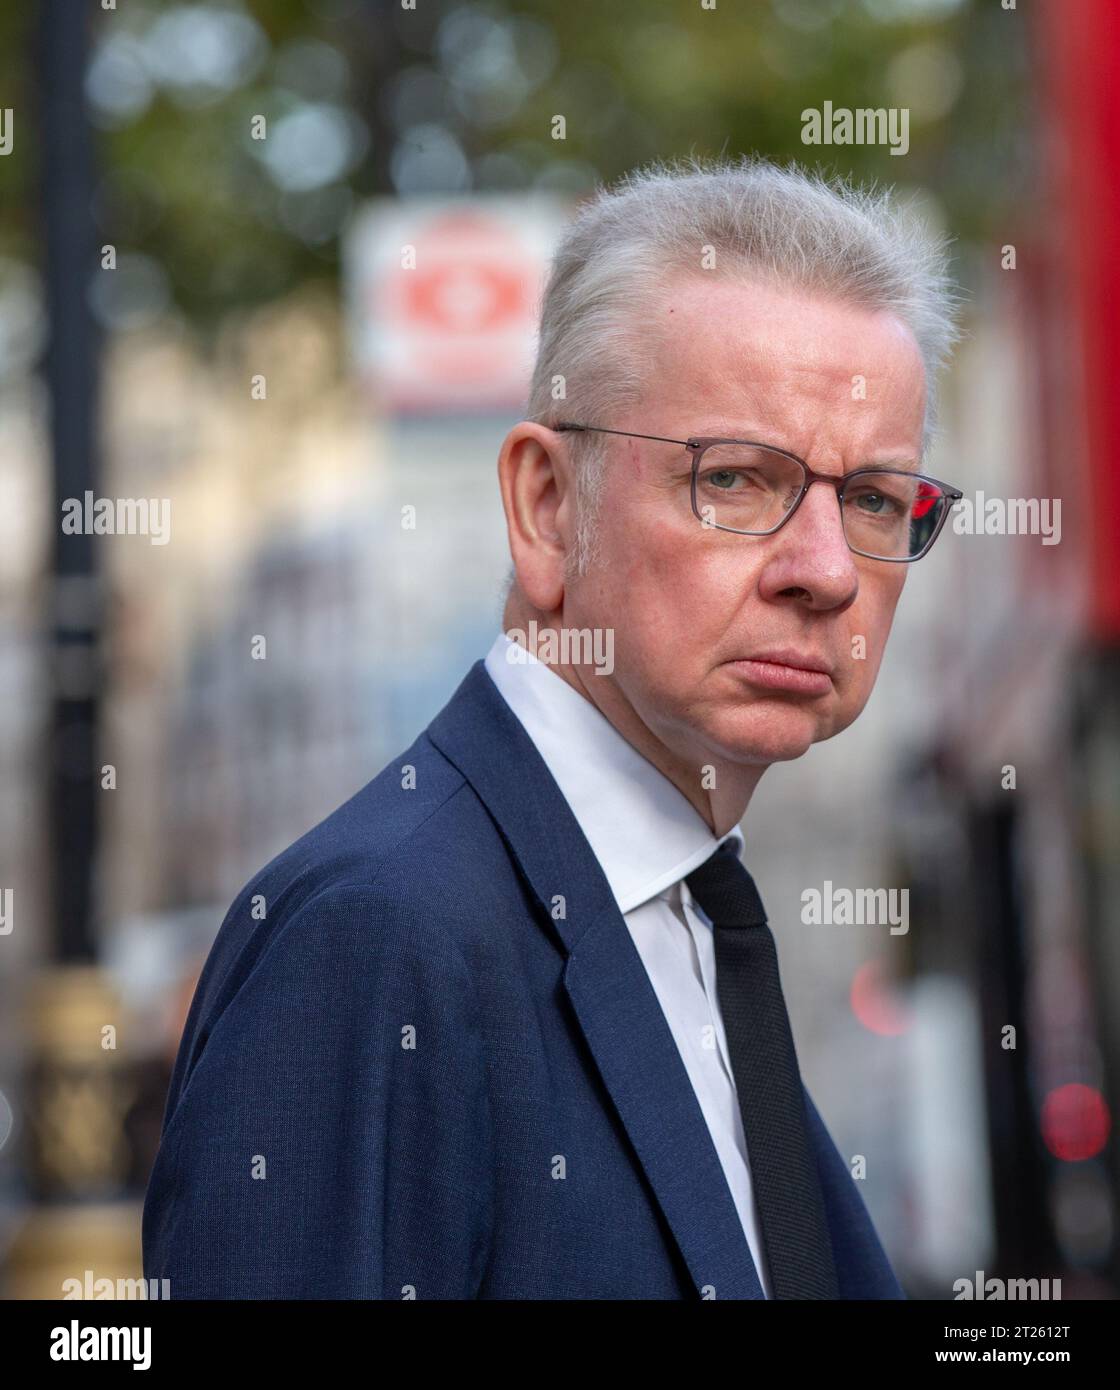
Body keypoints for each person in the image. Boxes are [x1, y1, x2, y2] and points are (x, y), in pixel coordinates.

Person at [143, 154, 963, 1299]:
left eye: (875, 498)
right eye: (734, 479)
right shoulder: (376, 934)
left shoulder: (689, 914)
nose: (824, 570)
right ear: (545, 507)